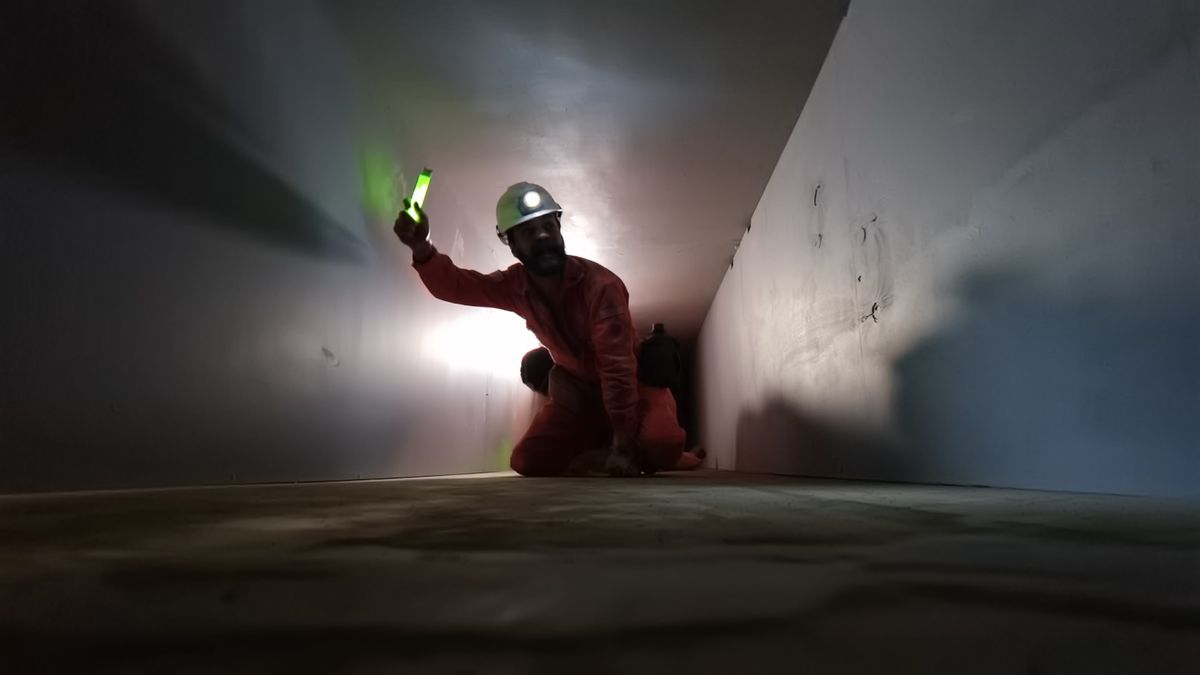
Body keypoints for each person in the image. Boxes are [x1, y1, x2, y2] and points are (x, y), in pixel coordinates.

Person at [394, 181, 688, 477]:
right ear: (510, 241)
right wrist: (421, 246)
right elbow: (457, 286)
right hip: (578, 392)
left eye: (549, 225)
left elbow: (617, 368)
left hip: (634, 388)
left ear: (559, 227)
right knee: (528, 461)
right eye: (529, 231)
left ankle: (651, 451)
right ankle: (603, 446)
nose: (543, 236)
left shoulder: (601, 287)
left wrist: (624, 443)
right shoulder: (515, 286)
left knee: (661, 443)